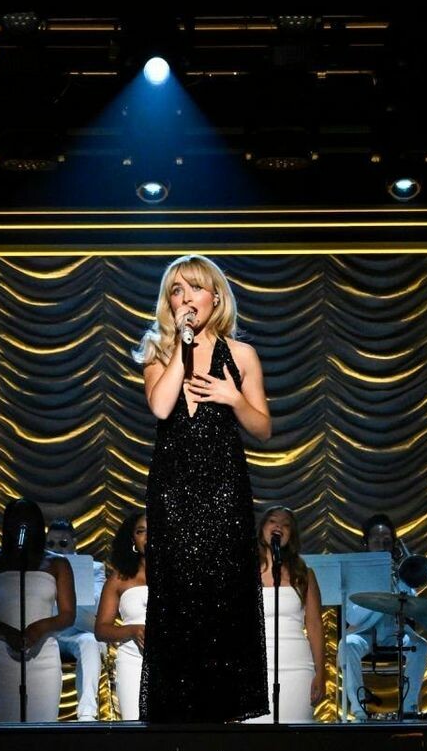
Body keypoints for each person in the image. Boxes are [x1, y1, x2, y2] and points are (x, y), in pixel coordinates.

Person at [135, 255, 270, 723]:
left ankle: (224, 714)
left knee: (223, 595)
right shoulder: (157, 351)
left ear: (216, 297)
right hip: (172, 492)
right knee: (177, 596)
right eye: (176, 290)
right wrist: (182, 344)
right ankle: (176, 716)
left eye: (194, 288)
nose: (186, 298)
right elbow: (161, 407)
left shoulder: (242, 354)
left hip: (224, 490)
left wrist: (234, 398)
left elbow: (263, 427)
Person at [0, 499, 76, 724]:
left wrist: (40, 627)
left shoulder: (57, 564)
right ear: (7, 525)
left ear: (38, 524)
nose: (22, 524)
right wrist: (7, 632)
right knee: (4, 730)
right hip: (3, 656)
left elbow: (68, 615)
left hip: (44, 656)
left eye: (28, 519)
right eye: (17, 519)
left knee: (42, 729)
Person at [340, 513, 427, 717]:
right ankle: (359, 710)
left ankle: (409, 708)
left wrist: (401, 580)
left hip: (394, 631)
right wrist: (380, 593)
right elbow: (353, 618)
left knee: (421, 646)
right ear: (366, 544)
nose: (381, 546)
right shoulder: (356, 572)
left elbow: (412, 607)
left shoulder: (400, 571)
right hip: (364, 632)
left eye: (387, 542)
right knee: (347, 645)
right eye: (376, 541)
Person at [252, 506, 325, 724]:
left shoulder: (304, 575)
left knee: (294, 737)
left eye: (286, 525)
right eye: (273, 521)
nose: (279, 526)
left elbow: (315, 626)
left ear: (291, 535)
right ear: (262, 529)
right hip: (255, 669)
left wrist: (321, 673)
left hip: (297, 667)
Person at [45, 517, 102, 721]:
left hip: (79, 632)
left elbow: (98, 604)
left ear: (74, 543)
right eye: (51, 544)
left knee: (90, 641)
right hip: (47, 633)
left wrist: (70, 581)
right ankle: (41, 716)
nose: (56, 549)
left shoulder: (94, 568)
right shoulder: (40, 567)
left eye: (63, 543)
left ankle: (87, 713)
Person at [95, 511, 149, 722]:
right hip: (133, 662)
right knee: (137, 727)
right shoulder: (119, 578)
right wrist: (133, 630)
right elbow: (101, 629)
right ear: (133, 539)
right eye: (141, 531)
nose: (148, 537)